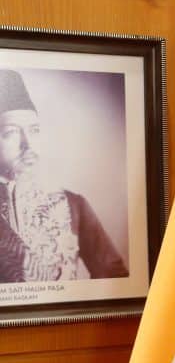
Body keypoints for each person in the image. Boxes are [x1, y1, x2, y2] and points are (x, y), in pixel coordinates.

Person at [0, 69, 128, 284]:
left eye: (34, 130)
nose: (28, 145)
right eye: (11, 132)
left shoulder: (73, 205)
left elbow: (116, 281)